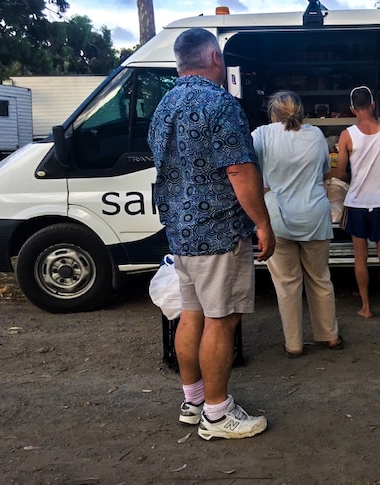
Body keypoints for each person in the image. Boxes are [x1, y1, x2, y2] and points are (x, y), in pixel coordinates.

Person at [148, 28, 276, 441]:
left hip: (181, 235)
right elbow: (238, 171)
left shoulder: (163, 106)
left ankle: (194, 401)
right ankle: (218, 416)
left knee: (192, 315)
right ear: (214, 58)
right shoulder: (221, 104)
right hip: (220, 234)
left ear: (180, 62)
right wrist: (262, 223)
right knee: (221, 321)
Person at [251, 90, 342, 358]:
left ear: (272, 112)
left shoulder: (262, 135)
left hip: (277, 218)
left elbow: (246, 167)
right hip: (315, 215)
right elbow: (326, 173)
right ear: (300, 111)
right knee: (320, 278)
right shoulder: (315, 135)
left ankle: (294, 344)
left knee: (287, 285)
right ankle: (329, 336)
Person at [335, 85, 380, 321]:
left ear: (353, 108)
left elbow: (342, 172)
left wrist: (356, 175)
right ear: (373, 104)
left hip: (356, 203)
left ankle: (366, 307)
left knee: (360, 256)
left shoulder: (347, 135)